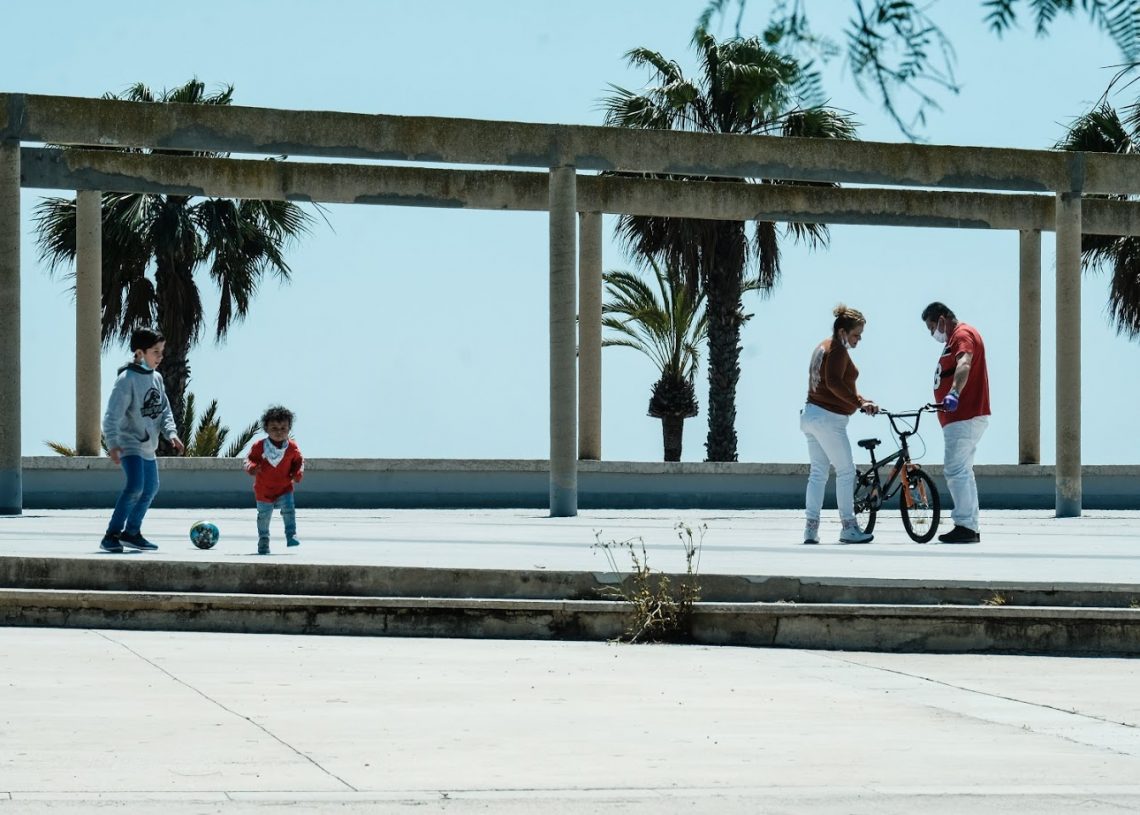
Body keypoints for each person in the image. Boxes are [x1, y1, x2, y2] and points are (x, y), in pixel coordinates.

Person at [100, 327, 185, 553]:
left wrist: (172, 434)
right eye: (155, 352)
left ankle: (132, 533)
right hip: (130, 444)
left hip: (149, 446)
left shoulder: (156, 378)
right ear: (139, 353)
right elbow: (111, 416)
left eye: (162, 351)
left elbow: (164, 410)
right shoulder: (126, 380)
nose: (161, 356)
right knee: (135, 486)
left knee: (151, 488)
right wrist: (113, 444)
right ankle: (112, 535)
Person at [800, 304, 879, 545]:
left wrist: (861, 400)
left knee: (818, 474)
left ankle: (811, 530)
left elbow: (831, 385)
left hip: (811, 415)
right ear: (843, 332)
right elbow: (834, 383)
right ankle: (849, 527)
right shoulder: (837, 350)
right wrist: (858, 403)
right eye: (856, 334)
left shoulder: (822, 347)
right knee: (845, 472)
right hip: (828, 419)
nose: (859, 339)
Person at [922, 302, 990, 544]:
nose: (933, 334)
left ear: (942, 319)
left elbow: (964, 363)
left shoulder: (961, 335)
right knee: (963, 470)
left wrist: (954, 393)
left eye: (933, 328)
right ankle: (969, 525)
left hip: (964, 414)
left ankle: (965, 526)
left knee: (954, 469)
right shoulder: (955, 338)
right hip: (960, 417)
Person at [243, 405, 305, 555]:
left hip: (284, 488)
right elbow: (247, 460)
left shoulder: (292, 448)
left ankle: (291, 534)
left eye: (283, 428)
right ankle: (263, 540)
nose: (279, 432)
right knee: (264, 516)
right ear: (266, 429)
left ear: (289, 429)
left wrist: (297, 473)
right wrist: (252, 468)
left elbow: (299, 462)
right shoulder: (259, 447)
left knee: (289, 511)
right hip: (264, 490)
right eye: (274, 428)